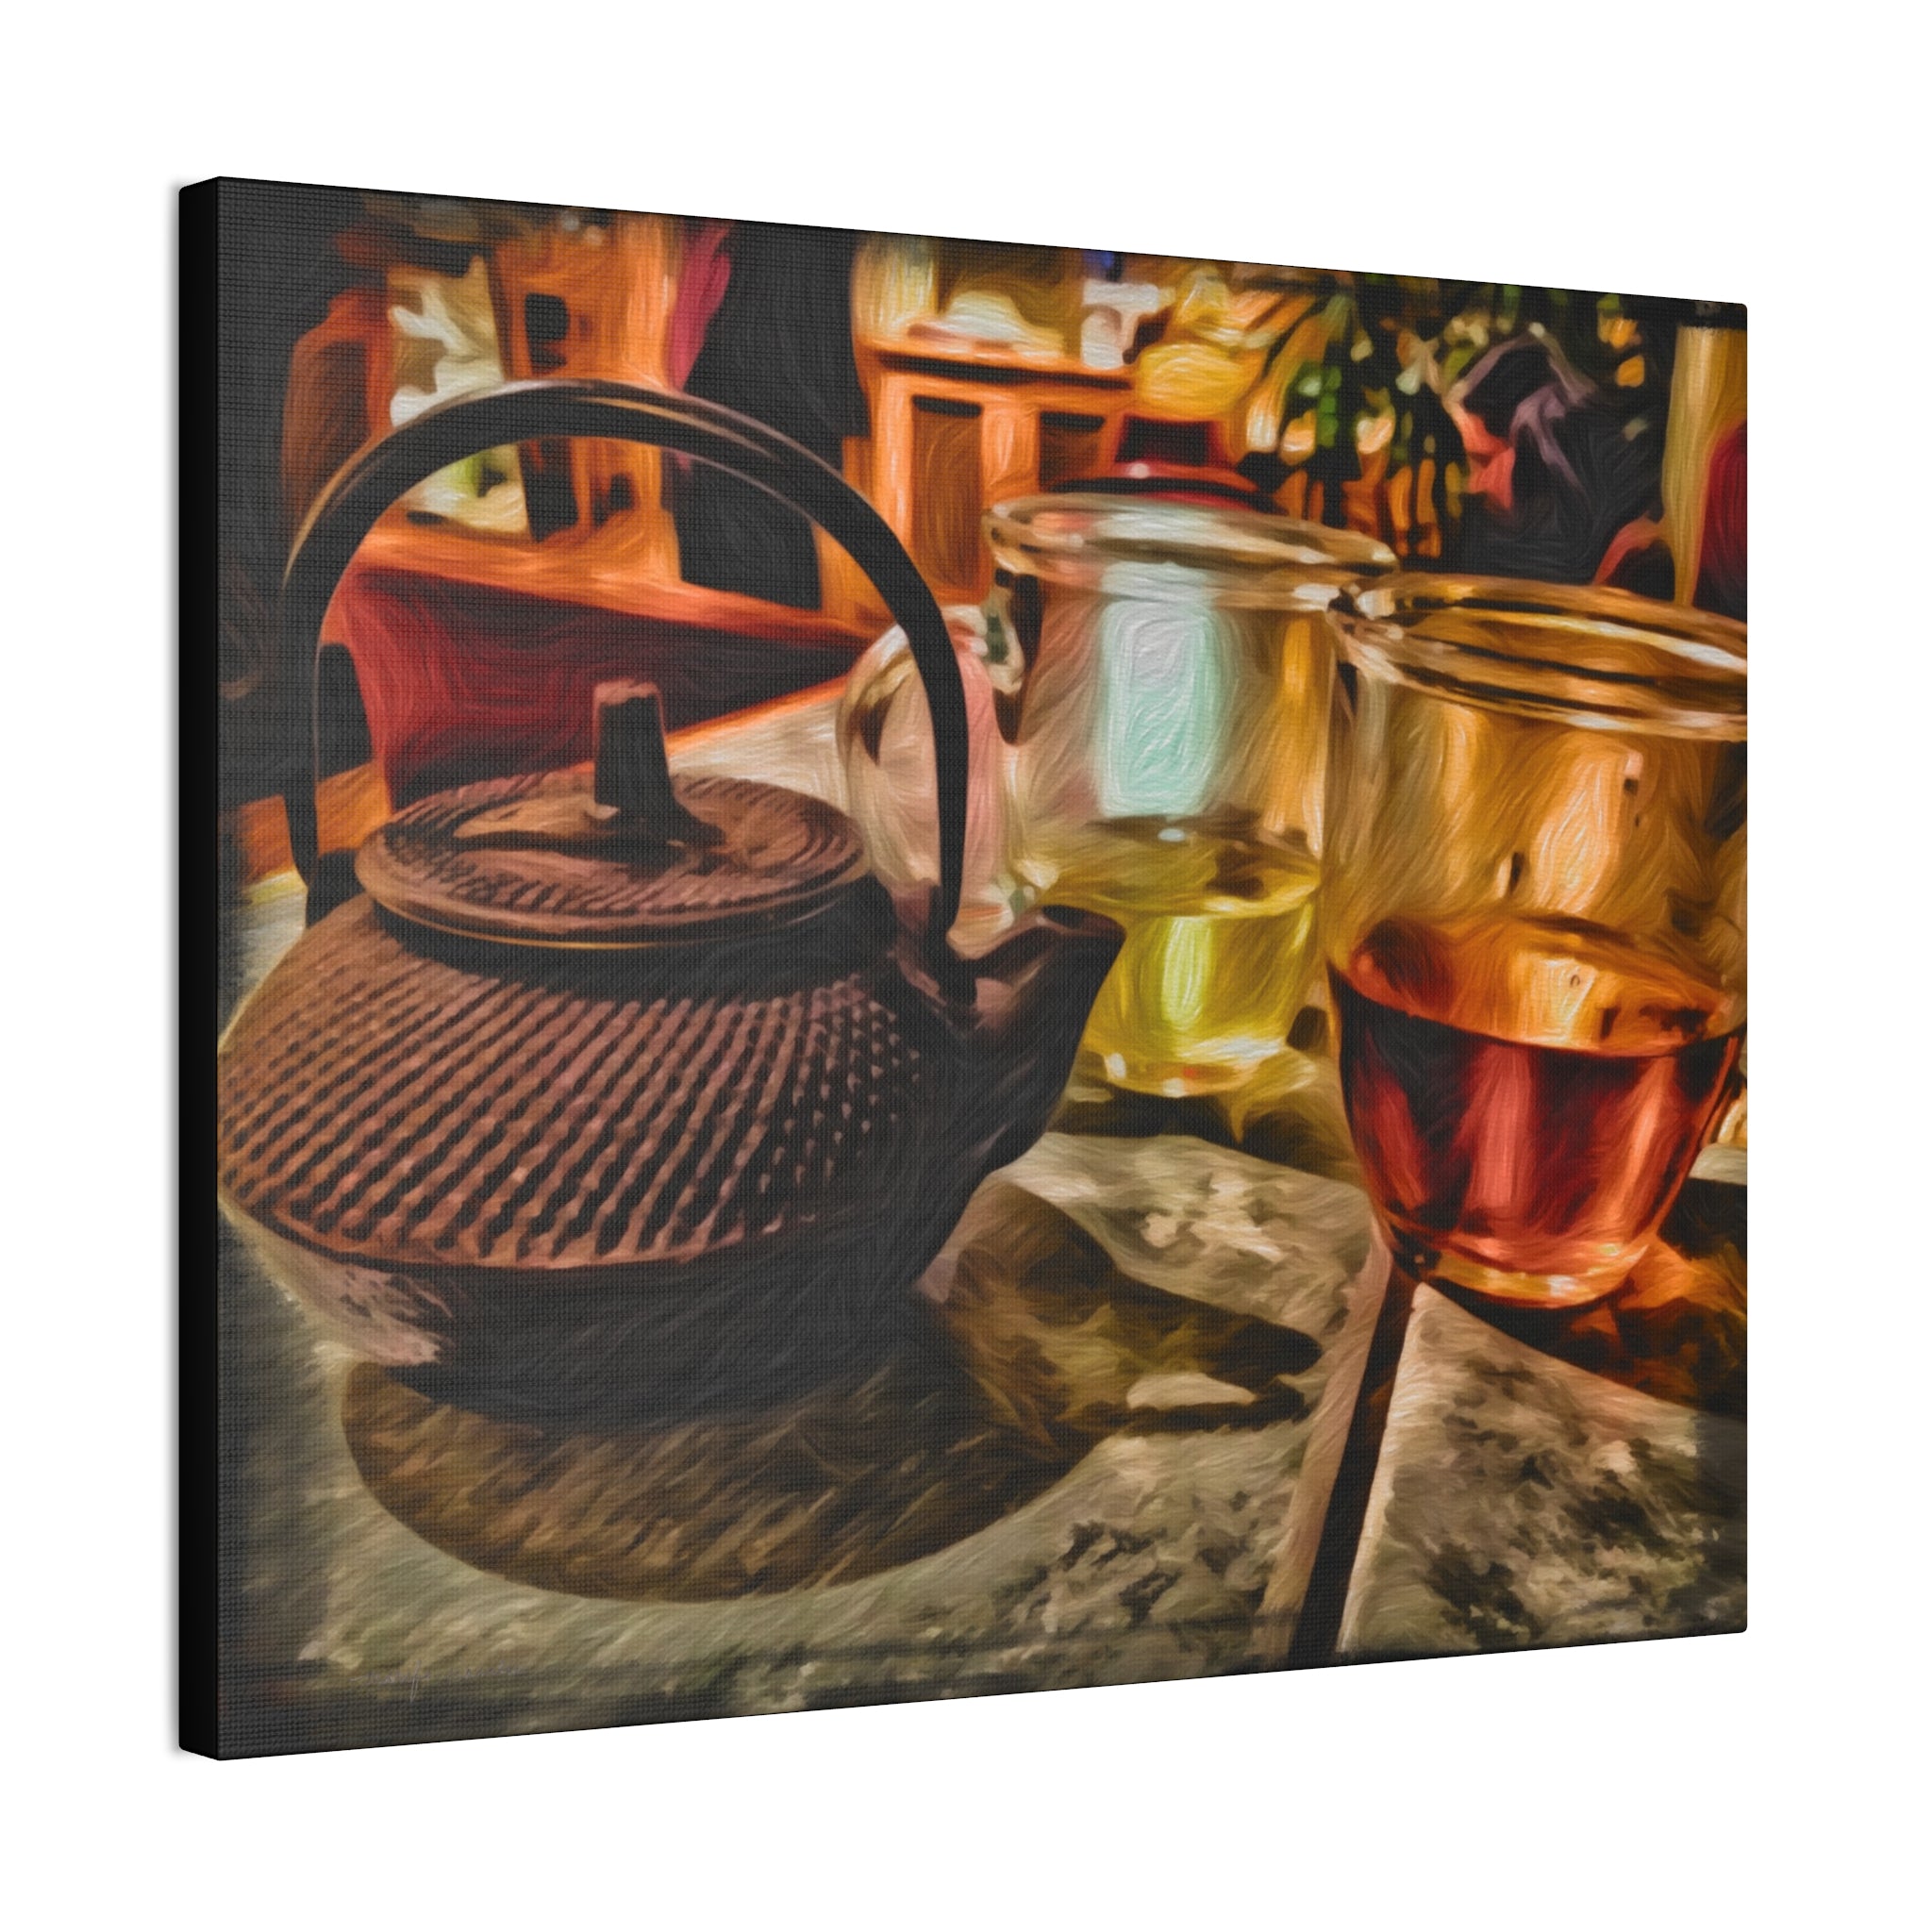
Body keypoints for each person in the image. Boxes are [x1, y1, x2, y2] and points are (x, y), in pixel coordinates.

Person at [1445, 333, 1664, 586]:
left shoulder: (1616, 525)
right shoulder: (1478, 526)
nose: (1474, 485)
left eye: (1483, 461)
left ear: (1533, 448)